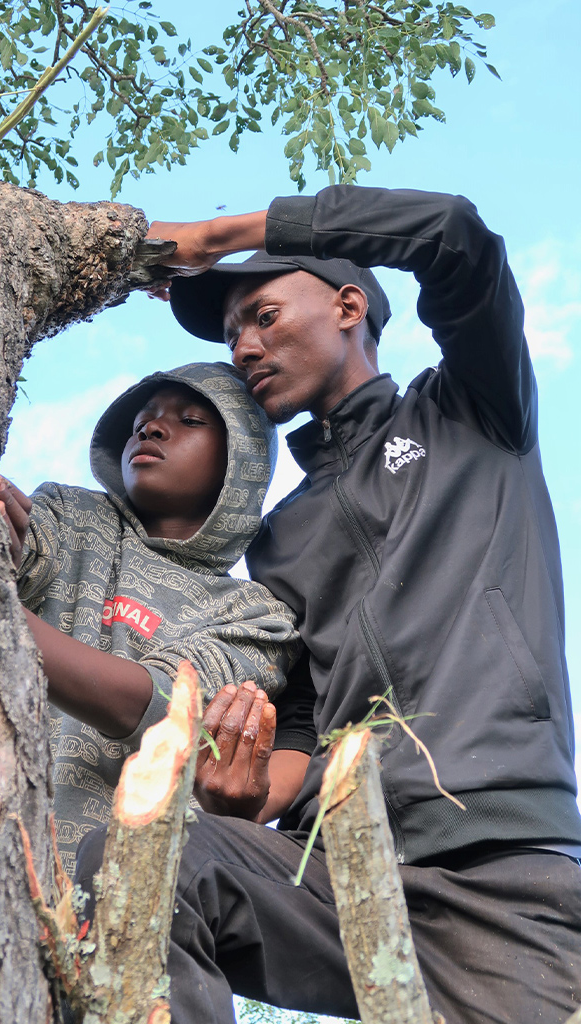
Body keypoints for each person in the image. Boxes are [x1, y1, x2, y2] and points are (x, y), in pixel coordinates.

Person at [74, 184, 581, 1023]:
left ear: (350, 306)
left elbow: (453, 234)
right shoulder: (281, 539)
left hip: (501, 877)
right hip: (338, 872)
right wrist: (243, 797)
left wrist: (218, 235)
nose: (244, 345)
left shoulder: (473, 415)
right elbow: (305, 728)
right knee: (144, 857)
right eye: (234, 332)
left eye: (263, 315)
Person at [0, 361, 297, 876]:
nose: (151, 427)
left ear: (240, 457)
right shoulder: (72, 516)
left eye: (191, 420)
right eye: (144, 419)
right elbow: (24, 550)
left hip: (134, 891)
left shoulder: (258, 616)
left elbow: (166, 707)